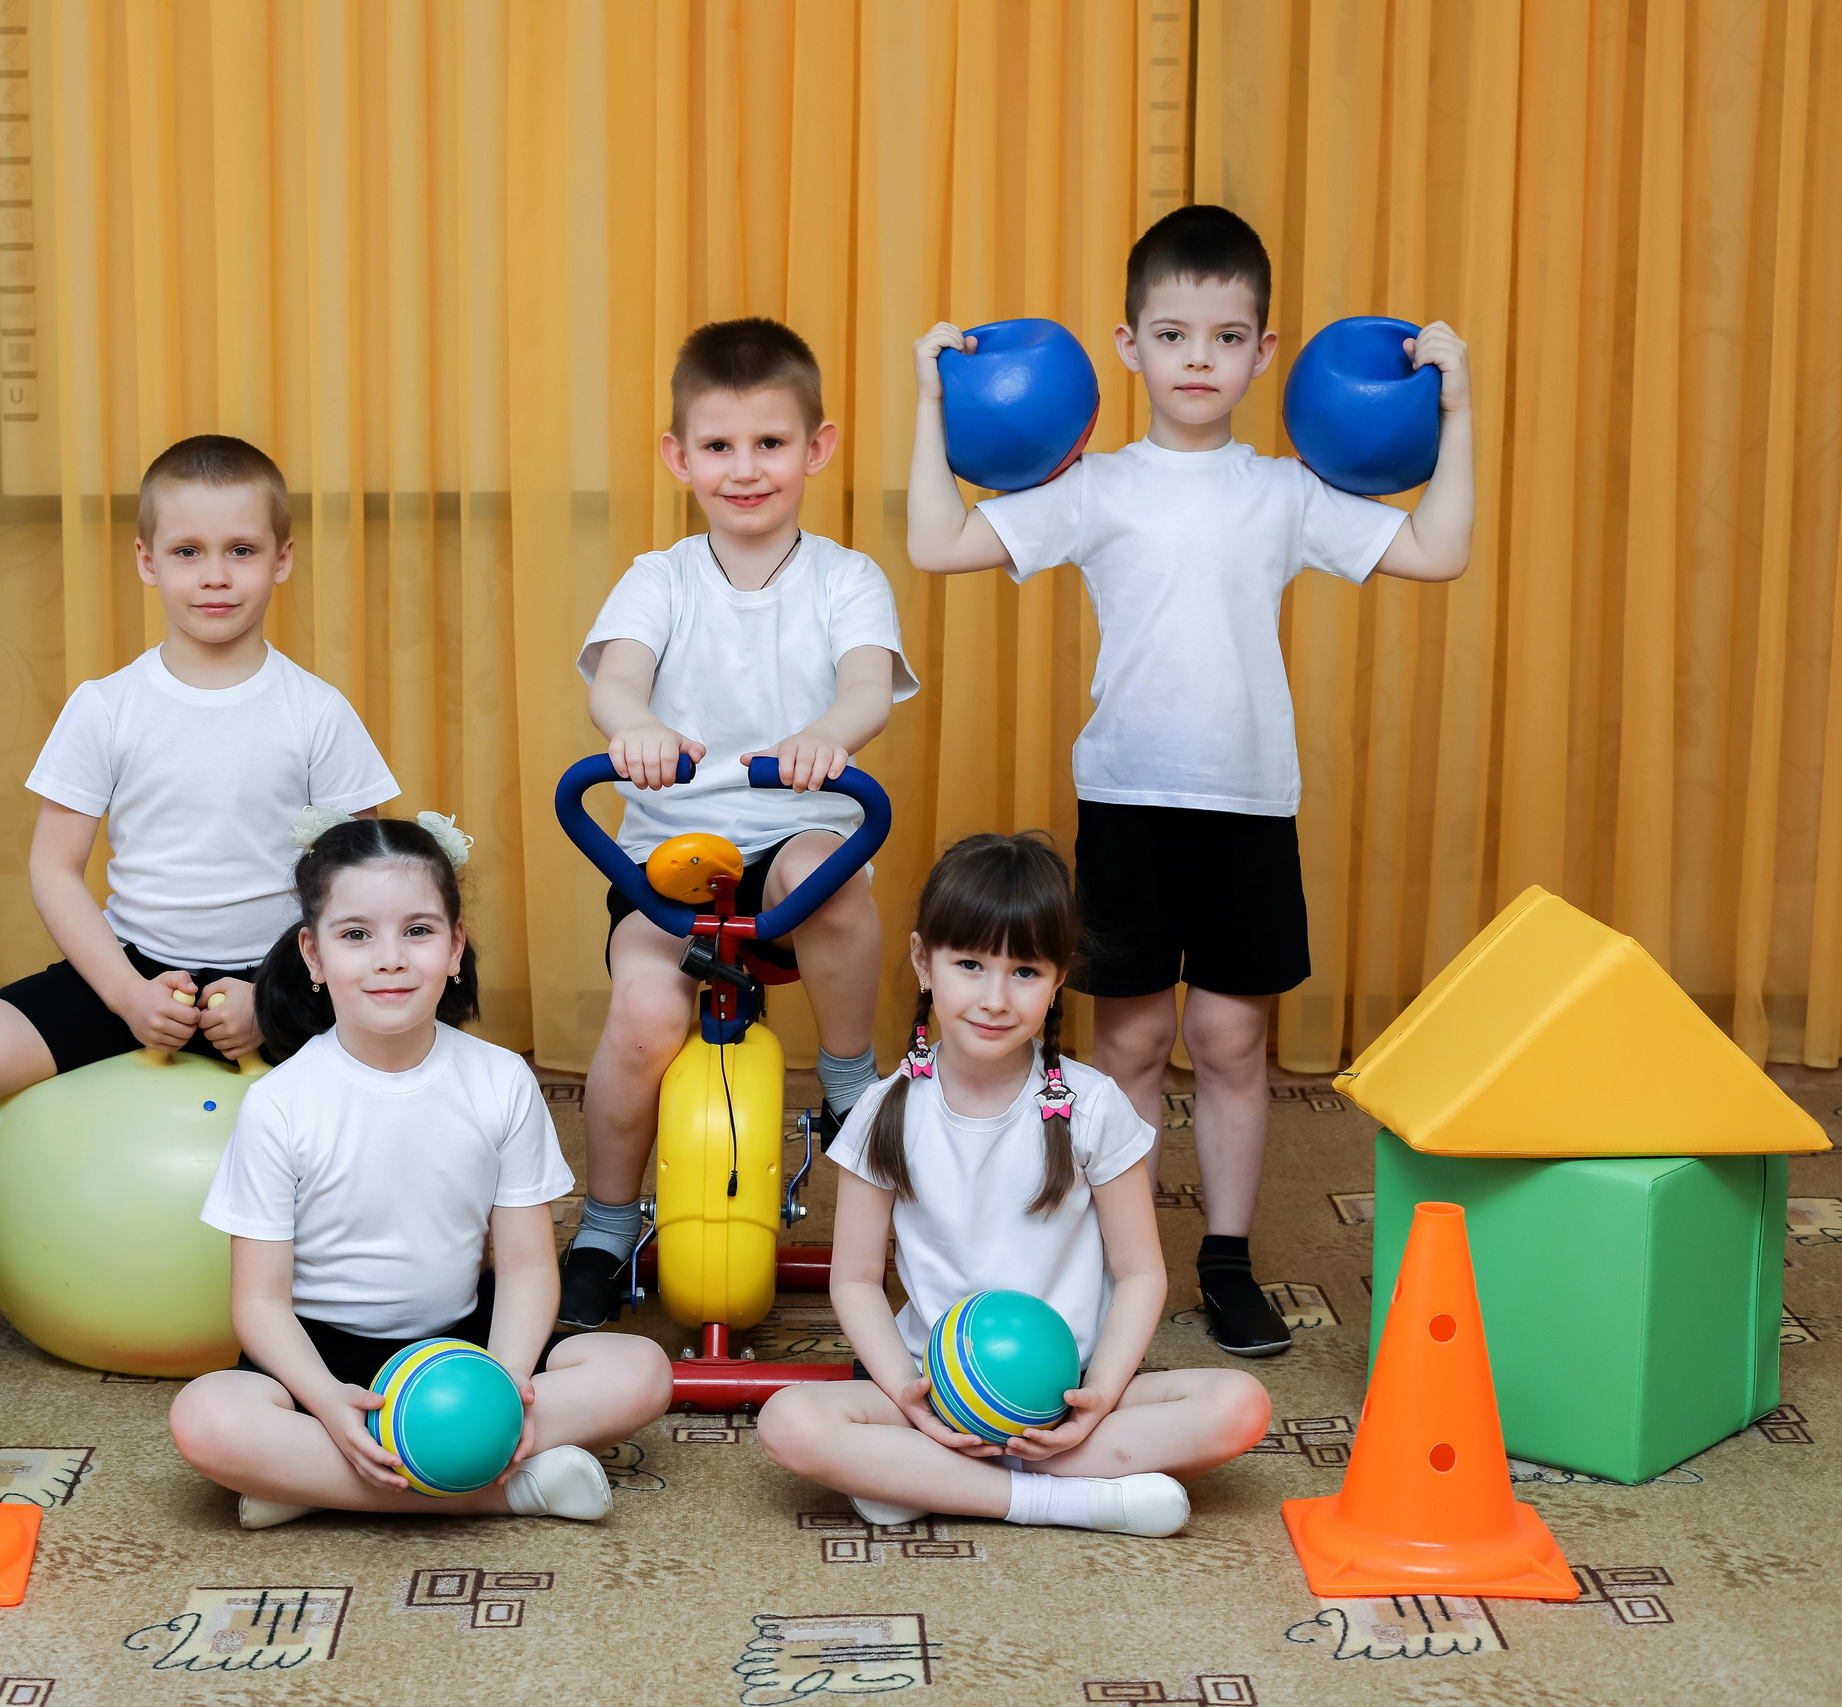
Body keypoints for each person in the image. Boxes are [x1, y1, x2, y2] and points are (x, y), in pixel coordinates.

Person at [902, 205, 1475, 1356]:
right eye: (1172, 336)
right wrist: (929, 401)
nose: (1198, 360)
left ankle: (1225, 1259)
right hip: (1127, 803)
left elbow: (1437, 550)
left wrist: (1455, 411)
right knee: (1126, 1048)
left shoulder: (1284, 491)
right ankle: (1123, 1266)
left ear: (1266, 352)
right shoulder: (1097, 486)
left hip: (1249, 809)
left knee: (1229, 1043)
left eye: (1225, 337)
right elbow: (935, 542)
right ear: (1127, 347)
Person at [560, 317, 920, 1330]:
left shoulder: (846, 579)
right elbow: (618, 680)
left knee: (830, 867)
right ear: (679, 457)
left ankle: (849, 1077)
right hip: (667, 854)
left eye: (770, 443)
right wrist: (633, 729)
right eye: (718, 446)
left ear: (818, 448)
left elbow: (865, 688)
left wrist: (824, 737)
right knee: (642, 1017)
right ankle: (602, 1223)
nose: (745, 468)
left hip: (796, 839)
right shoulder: (659, 577)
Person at [755, 834, 1271, 1534]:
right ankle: (1064, 1498)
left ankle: (930, 1481)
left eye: (1024, 971)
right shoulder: (885, 1108)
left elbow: (1141, 1270)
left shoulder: (1092, 1104)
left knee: (1240, 1405)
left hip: (1068, 1398)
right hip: (935, 1395)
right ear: (922, 962)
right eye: (969, 963)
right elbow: (852, 1279)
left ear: (1059, 980)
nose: (994, 997)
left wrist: (1100, 1393)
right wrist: (908, 1404)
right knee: (789, 1422)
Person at [170, 816, 675, 1528]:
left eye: (418, 930)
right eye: (355, 934)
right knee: (207, 1417)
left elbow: (529, 1267)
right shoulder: (280, 1103)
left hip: (461, 1345)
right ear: (312, 954)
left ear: (455, 946)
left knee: (643, 1371)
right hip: (324, 1357)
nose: (390, 958)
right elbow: (258, 1303)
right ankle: (503, 1489)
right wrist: (323, 1401)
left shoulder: (500, 1081)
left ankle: (318, 1479)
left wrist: (501, 1385)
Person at [0, 435, 397, 1120]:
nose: (215, 575)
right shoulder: (105, 707)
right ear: (147, 560)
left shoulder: (317, 711)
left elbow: (365, 884)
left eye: (242, 550)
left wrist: (279, 995)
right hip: (132, 971)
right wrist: (125, 995)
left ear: (282, 560)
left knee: (406, 1097)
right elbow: (54, 868)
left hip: (286, 976)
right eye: (187, 551)